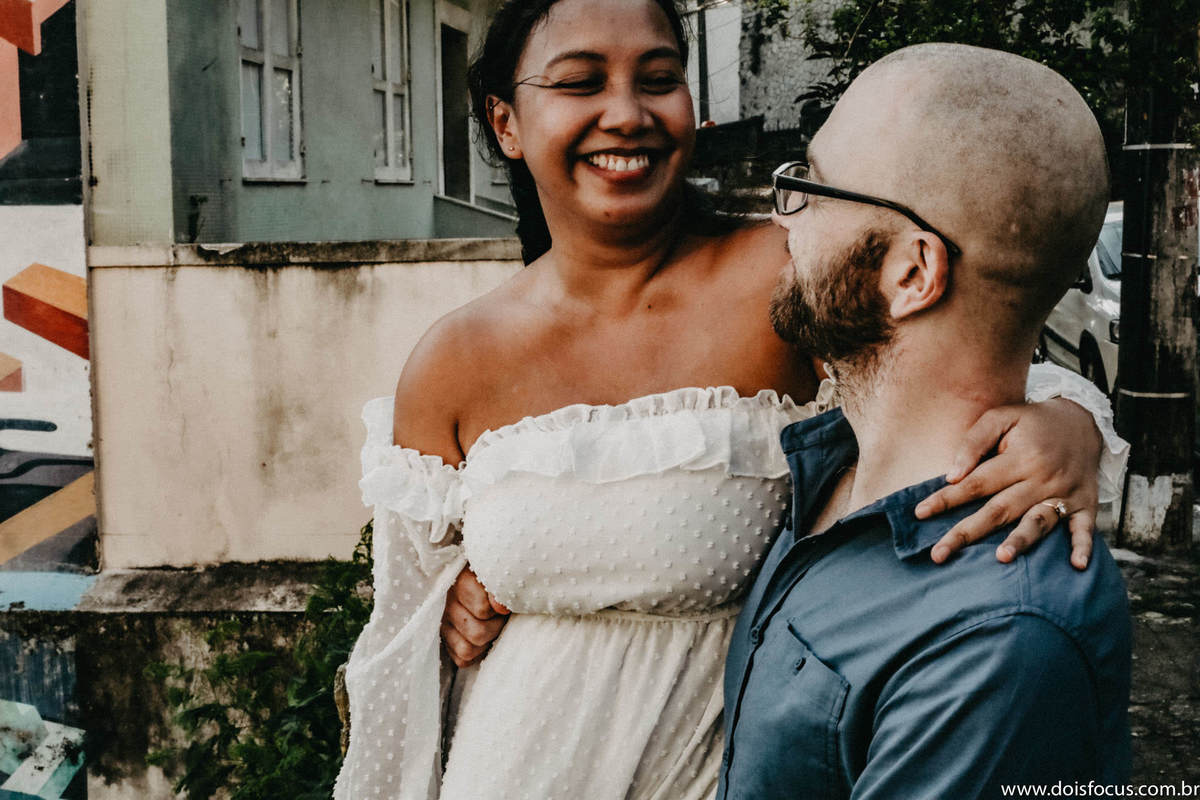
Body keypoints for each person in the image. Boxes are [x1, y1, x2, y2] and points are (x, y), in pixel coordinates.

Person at [333, 1, 1126, 797]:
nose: (626, 113)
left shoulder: (793, 274)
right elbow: (400, 647)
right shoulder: (453, 359)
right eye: (580, 81)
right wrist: (453, 602)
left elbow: (959, 349)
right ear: (504, 122)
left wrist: (1068, 425)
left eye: (659, 78)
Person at [719, 45, 1131, 799]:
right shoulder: (829, 466)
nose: (786, 219)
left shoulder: (998, 641)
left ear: (911, 274)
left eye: (812, 186)